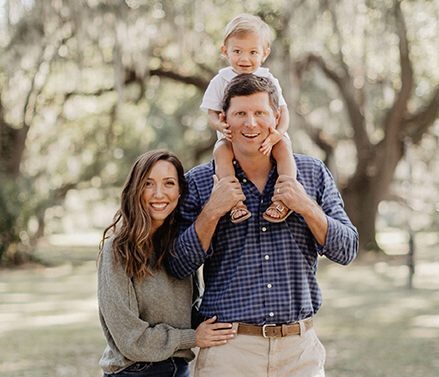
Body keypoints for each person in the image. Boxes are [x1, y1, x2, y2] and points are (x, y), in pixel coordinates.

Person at [168, 74, 359, 376]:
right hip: (229, 352)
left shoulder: (311, 173)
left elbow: (347, 249)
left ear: (277, 117)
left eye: (260, 113)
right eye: (240, 114)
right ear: (224, 121)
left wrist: (305, 205)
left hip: (299, 352)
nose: (251, 124)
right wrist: (211, 212)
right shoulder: (199, 182)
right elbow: (177, 265)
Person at [97, 150, 235, 377]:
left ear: (180, 191)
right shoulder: (117, 250)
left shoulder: (179, 247)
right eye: (148, 184)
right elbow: (129, 338)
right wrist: (192, 337)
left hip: (178, 369)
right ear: (135, 189)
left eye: (169, 183)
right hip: (134, 371)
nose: (158, 194)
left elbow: (190, 312)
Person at [201, 13, 297, 224]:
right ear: (225, 51)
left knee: (284, 148)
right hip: (233, 138)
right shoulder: (220, 80)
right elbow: (211, 113)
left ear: (264, 53)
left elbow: (284, 111)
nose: (245, 59)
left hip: (269, 136)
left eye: (253, 52)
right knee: (220, 151)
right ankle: (235, 203)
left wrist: (277, 134)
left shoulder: (269, 79)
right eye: (237, 51)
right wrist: (221, 126)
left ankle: (284, 198)